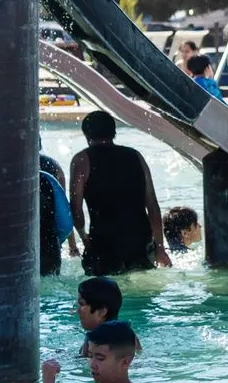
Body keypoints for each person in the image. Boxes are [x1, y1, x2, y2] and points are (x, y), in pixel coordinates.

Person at [69, 111, 171, 275]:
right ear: (114, 132)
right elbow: (152, 205)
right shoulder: (135, 156)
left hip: (104, 241)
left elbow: (75, 207)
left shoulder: (82, 160)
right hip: (140, 239)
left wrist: (83, 237)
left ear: (86, 134)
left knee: (102, 295)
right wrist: (160, 248)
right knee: (142, 295)